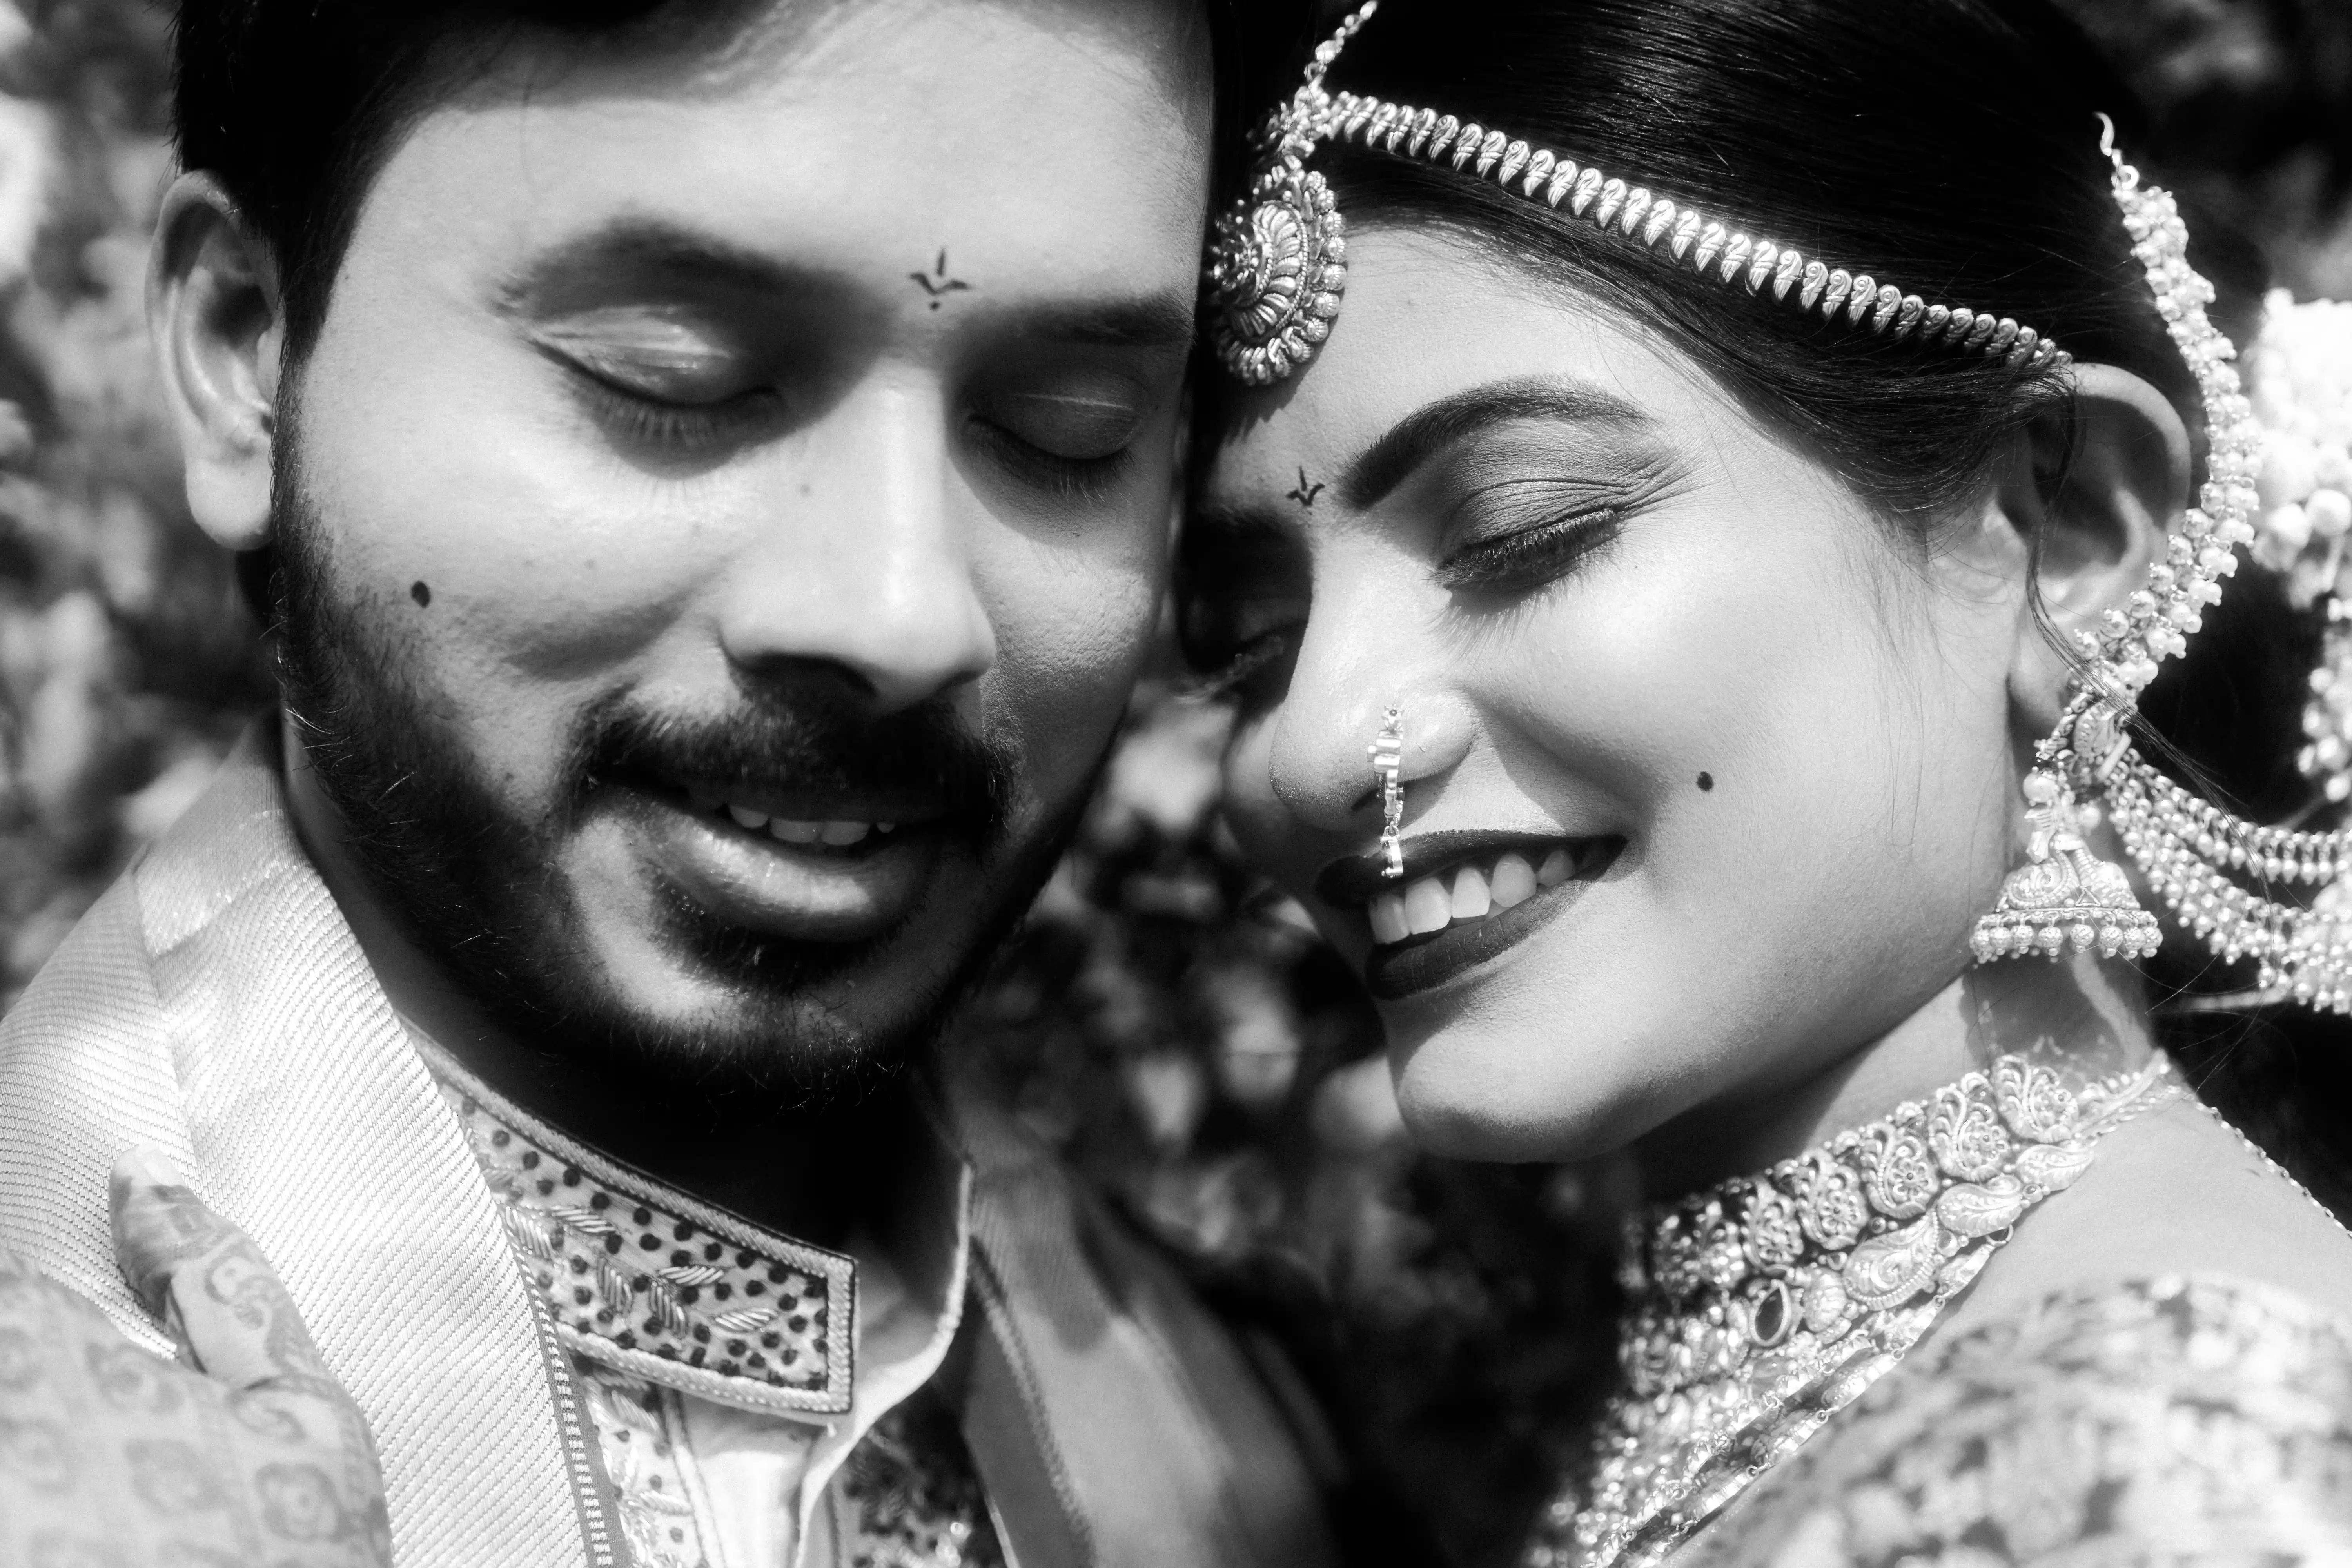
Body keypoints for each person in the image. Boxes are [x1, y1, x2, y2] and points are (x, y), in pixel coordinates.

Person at [0, 2, 1342, 1566]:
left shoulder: (1241, 1433)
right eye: (677, 376)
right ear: (246, 353)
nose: (899, 612)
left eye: (1070, 433)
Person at [1183, 0, 2352, 1563]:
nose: (1310, 746)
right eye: (1252, 641)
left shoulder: (2156, 1471)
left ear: (2063, 530)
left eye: (1522, 532)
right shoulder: (1940, 1389)